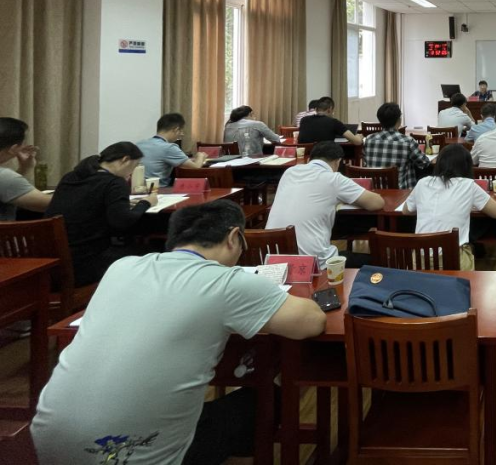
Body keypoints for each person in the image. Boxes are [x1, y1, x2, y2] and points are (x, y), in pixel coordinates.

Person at [32, 199, 327, 465]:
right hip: (128, 455)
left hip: (47, 443)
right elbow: (311, 322)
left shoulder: (121, 267)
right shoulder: (226, 283)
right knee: (264, 401)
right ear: (233, 237)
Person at [45, 142, 156, 287]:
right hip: (84, 264)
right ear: (125, 160)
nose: (131, 172)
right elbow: (122, 222)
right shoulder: (114, 182)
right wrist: (146, 202)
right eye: (134, 166)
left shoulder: (70, 177)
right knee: (150, 251)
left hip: (51, 263)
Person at [265, 141, 384, 268]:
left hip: (271, 260)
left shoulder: (289, 172)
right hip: (312, 264)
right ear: (338, 162)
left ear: (310, 159)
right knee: (376, 261)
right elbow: (377, 203)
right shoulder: (334, 179)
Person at [402, 144, 496, 271]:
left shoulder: (423, 183)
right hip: (454, 260)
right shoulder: (468, 185)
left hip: (419, 262)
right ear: (467, 166)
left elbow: (406, 210)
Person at [362, 102, 431, 188]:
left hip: (374, 190)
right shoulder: (407, 141)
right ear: (399, 120)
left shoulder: (368, 140)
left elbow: (365, 162)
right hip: (401, 192)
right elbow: (424, 163)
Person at [0, 117, 52, 220]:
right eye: (23, 143)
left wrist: (25, 168)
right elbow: (51, 205)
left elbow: (6, 188)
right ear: (13, 148)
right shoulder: (4, 176)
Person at [136, 113, 207, 187]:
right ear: (176, 130)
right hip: (159, 189)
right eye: (181, 131)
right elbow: (196, 167)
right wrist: (200, 156)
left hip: (137, 188)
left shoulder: (140, 144)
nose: (182, 134)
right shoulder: (169, 148)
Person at [297, 97, 362, 146]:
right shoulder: (334, 122)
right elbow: (357, 142)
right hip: (326, 157)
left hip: (306, 157)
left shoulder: (303, 120)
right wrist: (359, 136)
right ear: (330, 109)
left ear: (316, 109)